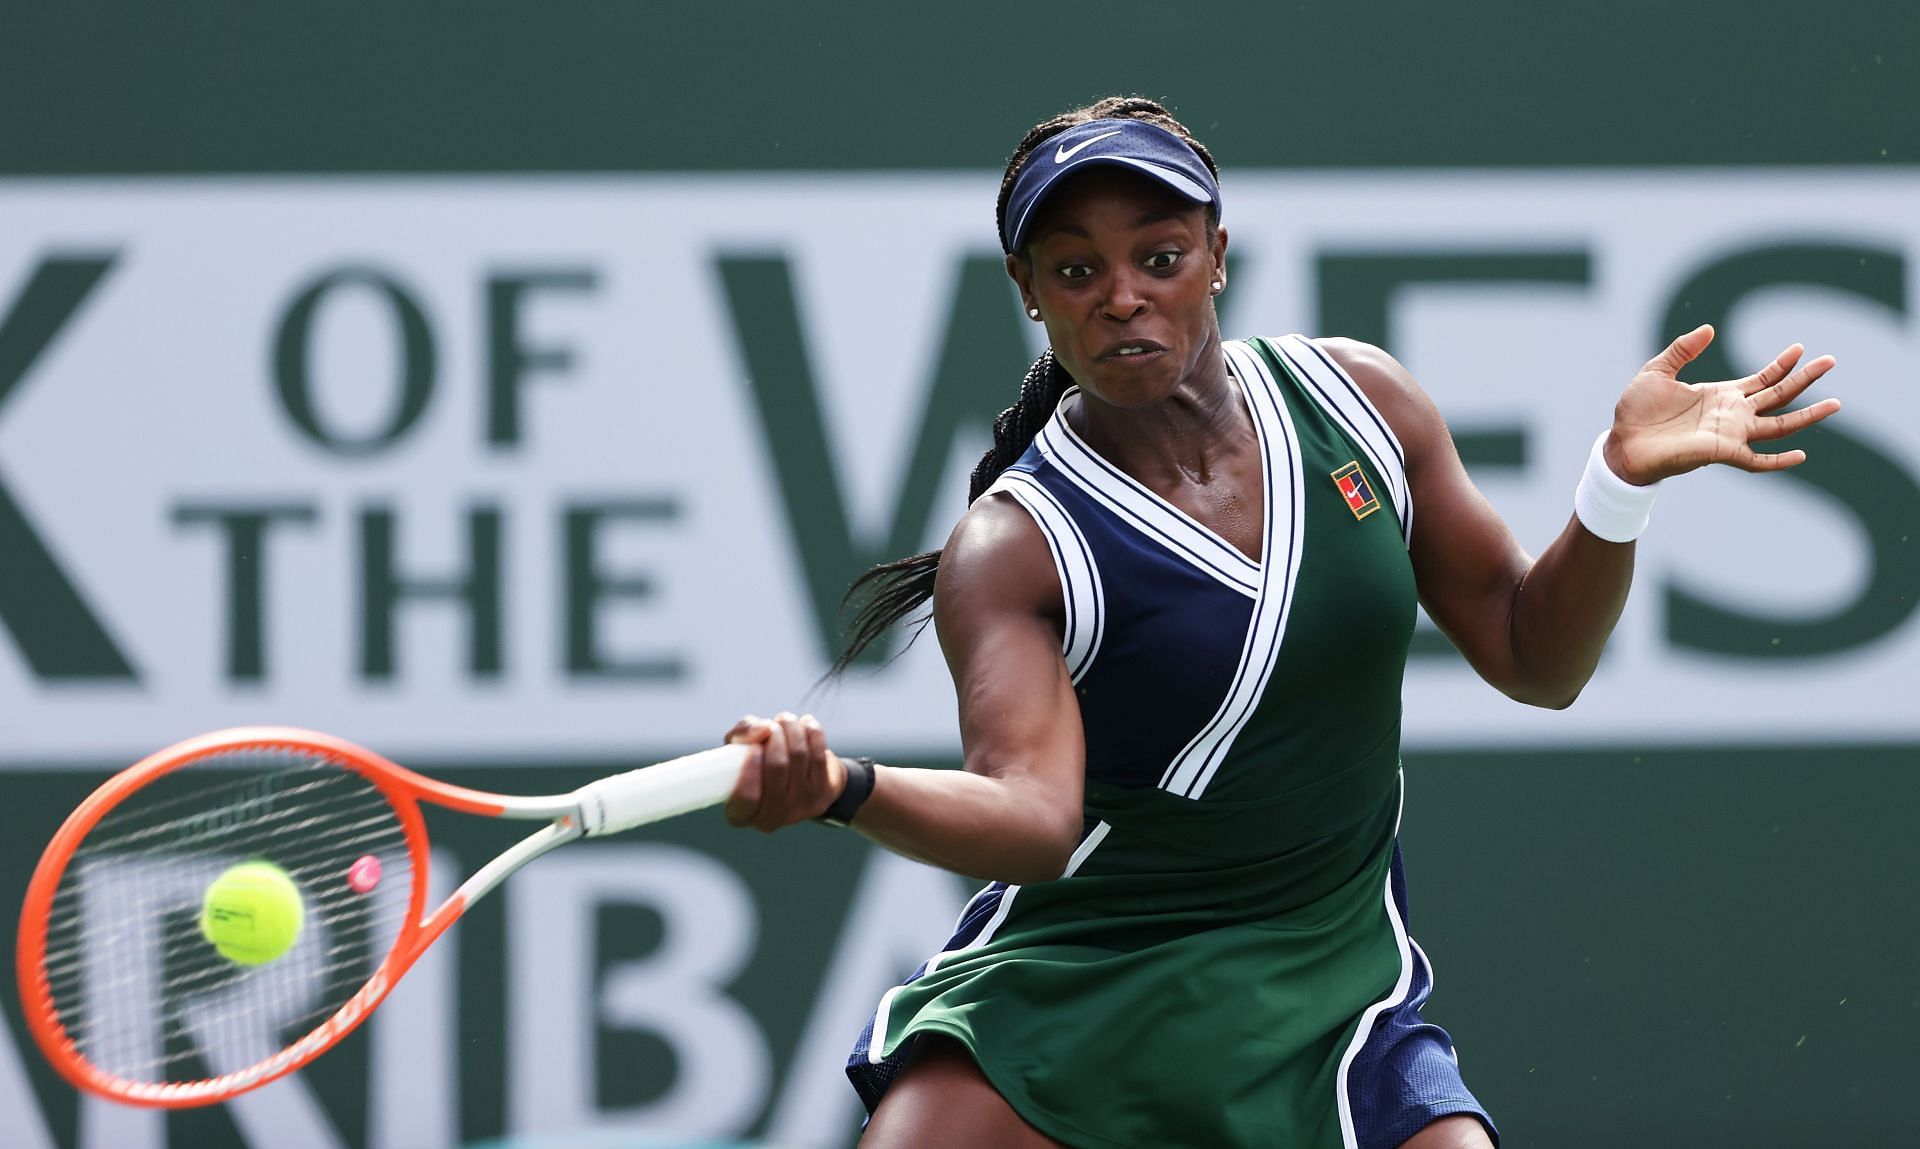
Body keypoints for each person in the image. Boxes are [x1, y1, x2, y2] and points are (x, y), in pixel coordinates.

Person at [718, 97, 1839, 1149]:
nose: (1121, 297)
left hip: (1332, 983)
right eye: (1075, 270)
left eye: (1159, 257)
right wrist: (843, 790)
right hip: (1080, 981)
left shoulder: (1362, 401)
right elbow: (1030, 817)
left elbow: (1532, 654)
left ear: (1216, 251)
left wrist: (1616, 487)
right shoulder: (1015, 548)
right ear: (1028, 288)